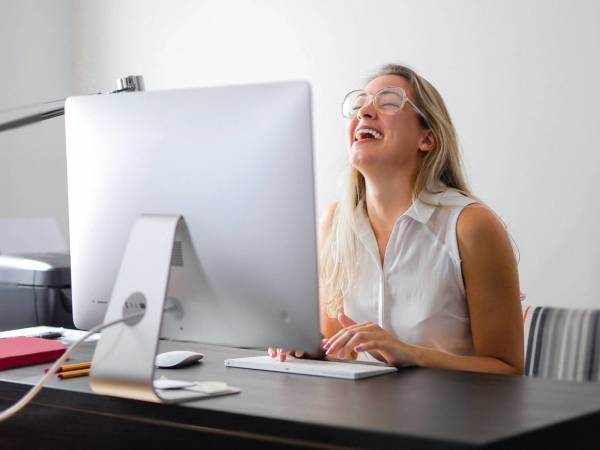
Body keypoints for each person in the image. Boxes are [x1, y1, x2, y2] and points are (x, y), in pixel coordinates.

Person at [269, 64, 524, 375]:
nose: (365, 112)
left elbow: (508, 370)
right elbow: (338, 349)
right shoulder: (332, 223)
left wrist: (410, 353)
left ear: (427, 139)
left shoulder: (471, 226)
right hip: (355, 417)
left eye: (388, 101)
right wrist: (310, 350)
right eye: (359, 104)